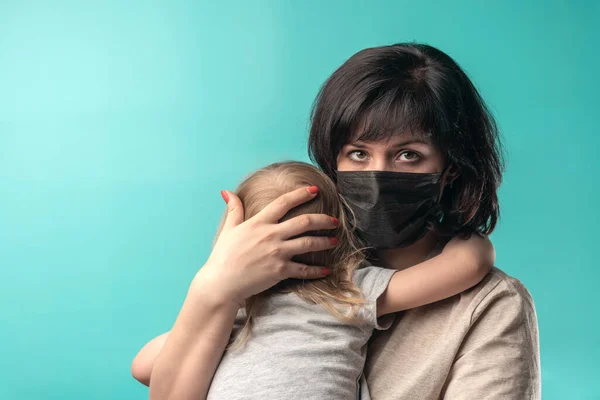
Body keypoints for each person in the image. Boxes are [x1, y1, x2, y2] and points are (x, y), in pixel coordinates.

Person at [132, 43, 540, 399]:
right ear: (333, 162)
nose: (379, 174)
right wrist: (214, 286)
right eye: (358, 154)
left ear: (451, 167)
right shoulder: (274, 287)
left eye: (408, 155)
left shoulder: (490, 305)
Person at [201, 160, 494, 399]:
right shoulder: (348, 294)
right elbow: (469, 264)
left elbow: (154, 362)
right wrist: (469, 235)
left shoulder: (236, 316)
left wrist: (218, 279)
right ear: (341, 231)